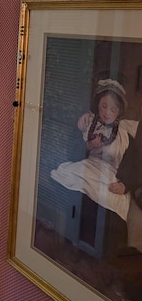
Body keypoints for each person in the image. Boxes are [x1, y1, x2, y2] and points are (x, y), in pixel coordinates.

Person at [51, 79, 142, 250]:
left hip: (111, 174)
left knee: (108, 202)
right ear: (97, 105)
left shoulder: (125, 135)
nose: (107, 113)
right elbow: (70, 151)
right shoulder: (88, 123)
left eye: (113, 109)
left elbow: (135, 166)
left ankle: (95, 250)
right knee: (74, 185)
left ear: (119, 111)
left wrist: (124, 185)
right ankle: (71, 240)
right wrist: (88, 146)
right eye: (104, 106)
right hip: (88, 166)